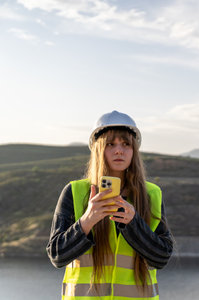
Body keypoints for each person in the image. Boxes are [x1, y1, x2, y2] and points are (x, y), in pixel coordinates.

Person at [47, 110, 173, 299]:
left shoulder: (152, 194)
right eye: (110, 144)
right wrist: (87, 221)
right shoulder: (74, 192)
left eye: (126, 144)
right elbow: (57, 256)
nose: (119, 150)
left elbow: (161, 258)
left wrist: (134, 224)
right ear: (98, 148)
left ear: (134, 151)